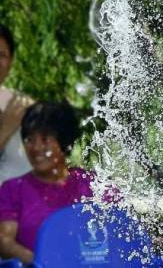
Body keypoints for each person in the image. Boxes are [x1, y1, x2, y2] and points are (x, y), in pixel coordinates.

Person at [0, 101, 93, 263]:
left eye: (45, 139)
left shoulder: (91, 184)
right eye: (29, 139)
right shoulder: (13, 189)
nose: (35, 147)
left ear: (65, 142)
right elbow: (4, 242)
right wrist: (42, 262)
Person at [0, 24, 33, 184]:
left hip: (26, 205)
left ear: (11, 61)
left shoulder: (21, 104)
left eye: (2, 54)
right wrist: (6, 130)